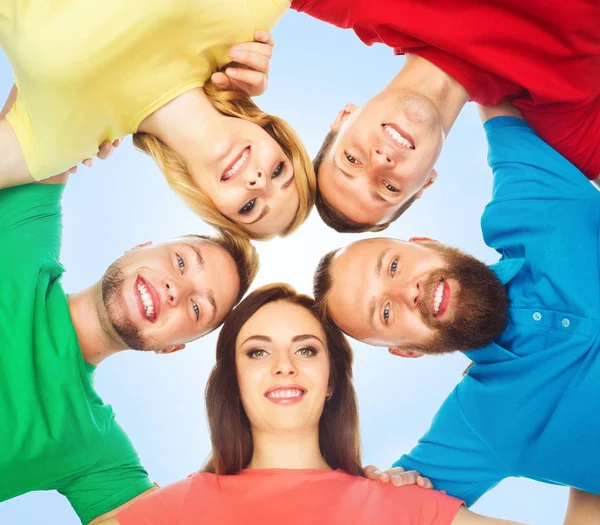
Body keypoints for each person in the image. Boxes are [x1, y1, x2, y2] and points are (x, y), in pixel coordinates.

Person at [312, 104, 600, 511]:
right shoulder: (479, 424)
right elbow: (375, 513)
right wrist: (392, 492)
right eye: (386, 313)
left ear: (425, 242)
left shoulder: (528, 207)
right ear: (408, 350)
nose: (406, 292)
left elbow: (497, 88)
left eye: (393, 266)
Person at [86, 284, 524, 525]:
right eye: (257, 352)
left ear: (332, 380)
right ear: (233, 383)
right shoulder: (177, 510)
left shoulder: (403, 507)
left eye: (307, 350)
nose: (283, 366)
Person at [0, 169, 259, 523]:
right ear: (139, 248)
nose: (176, 290)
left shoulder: (96, 451)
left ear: (171, 348)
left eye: (197, 308)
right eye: (181, 262)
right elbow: (43, 123)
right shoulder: (26, 227)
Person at [0, 1, 315, 239]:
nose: (259, 183)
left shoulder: (64, 144)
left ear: (213, 208)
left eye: (250, 208)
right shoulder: (245, 20)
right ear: (273, 133)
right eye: (278, 170)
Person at [290, 0, 600, 232]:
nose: (380, 162)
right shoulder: (564, 120)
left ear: (345, 117)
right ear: (426, 183)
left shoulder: (359, 6)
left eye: (352, 160)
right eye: (389, 188)